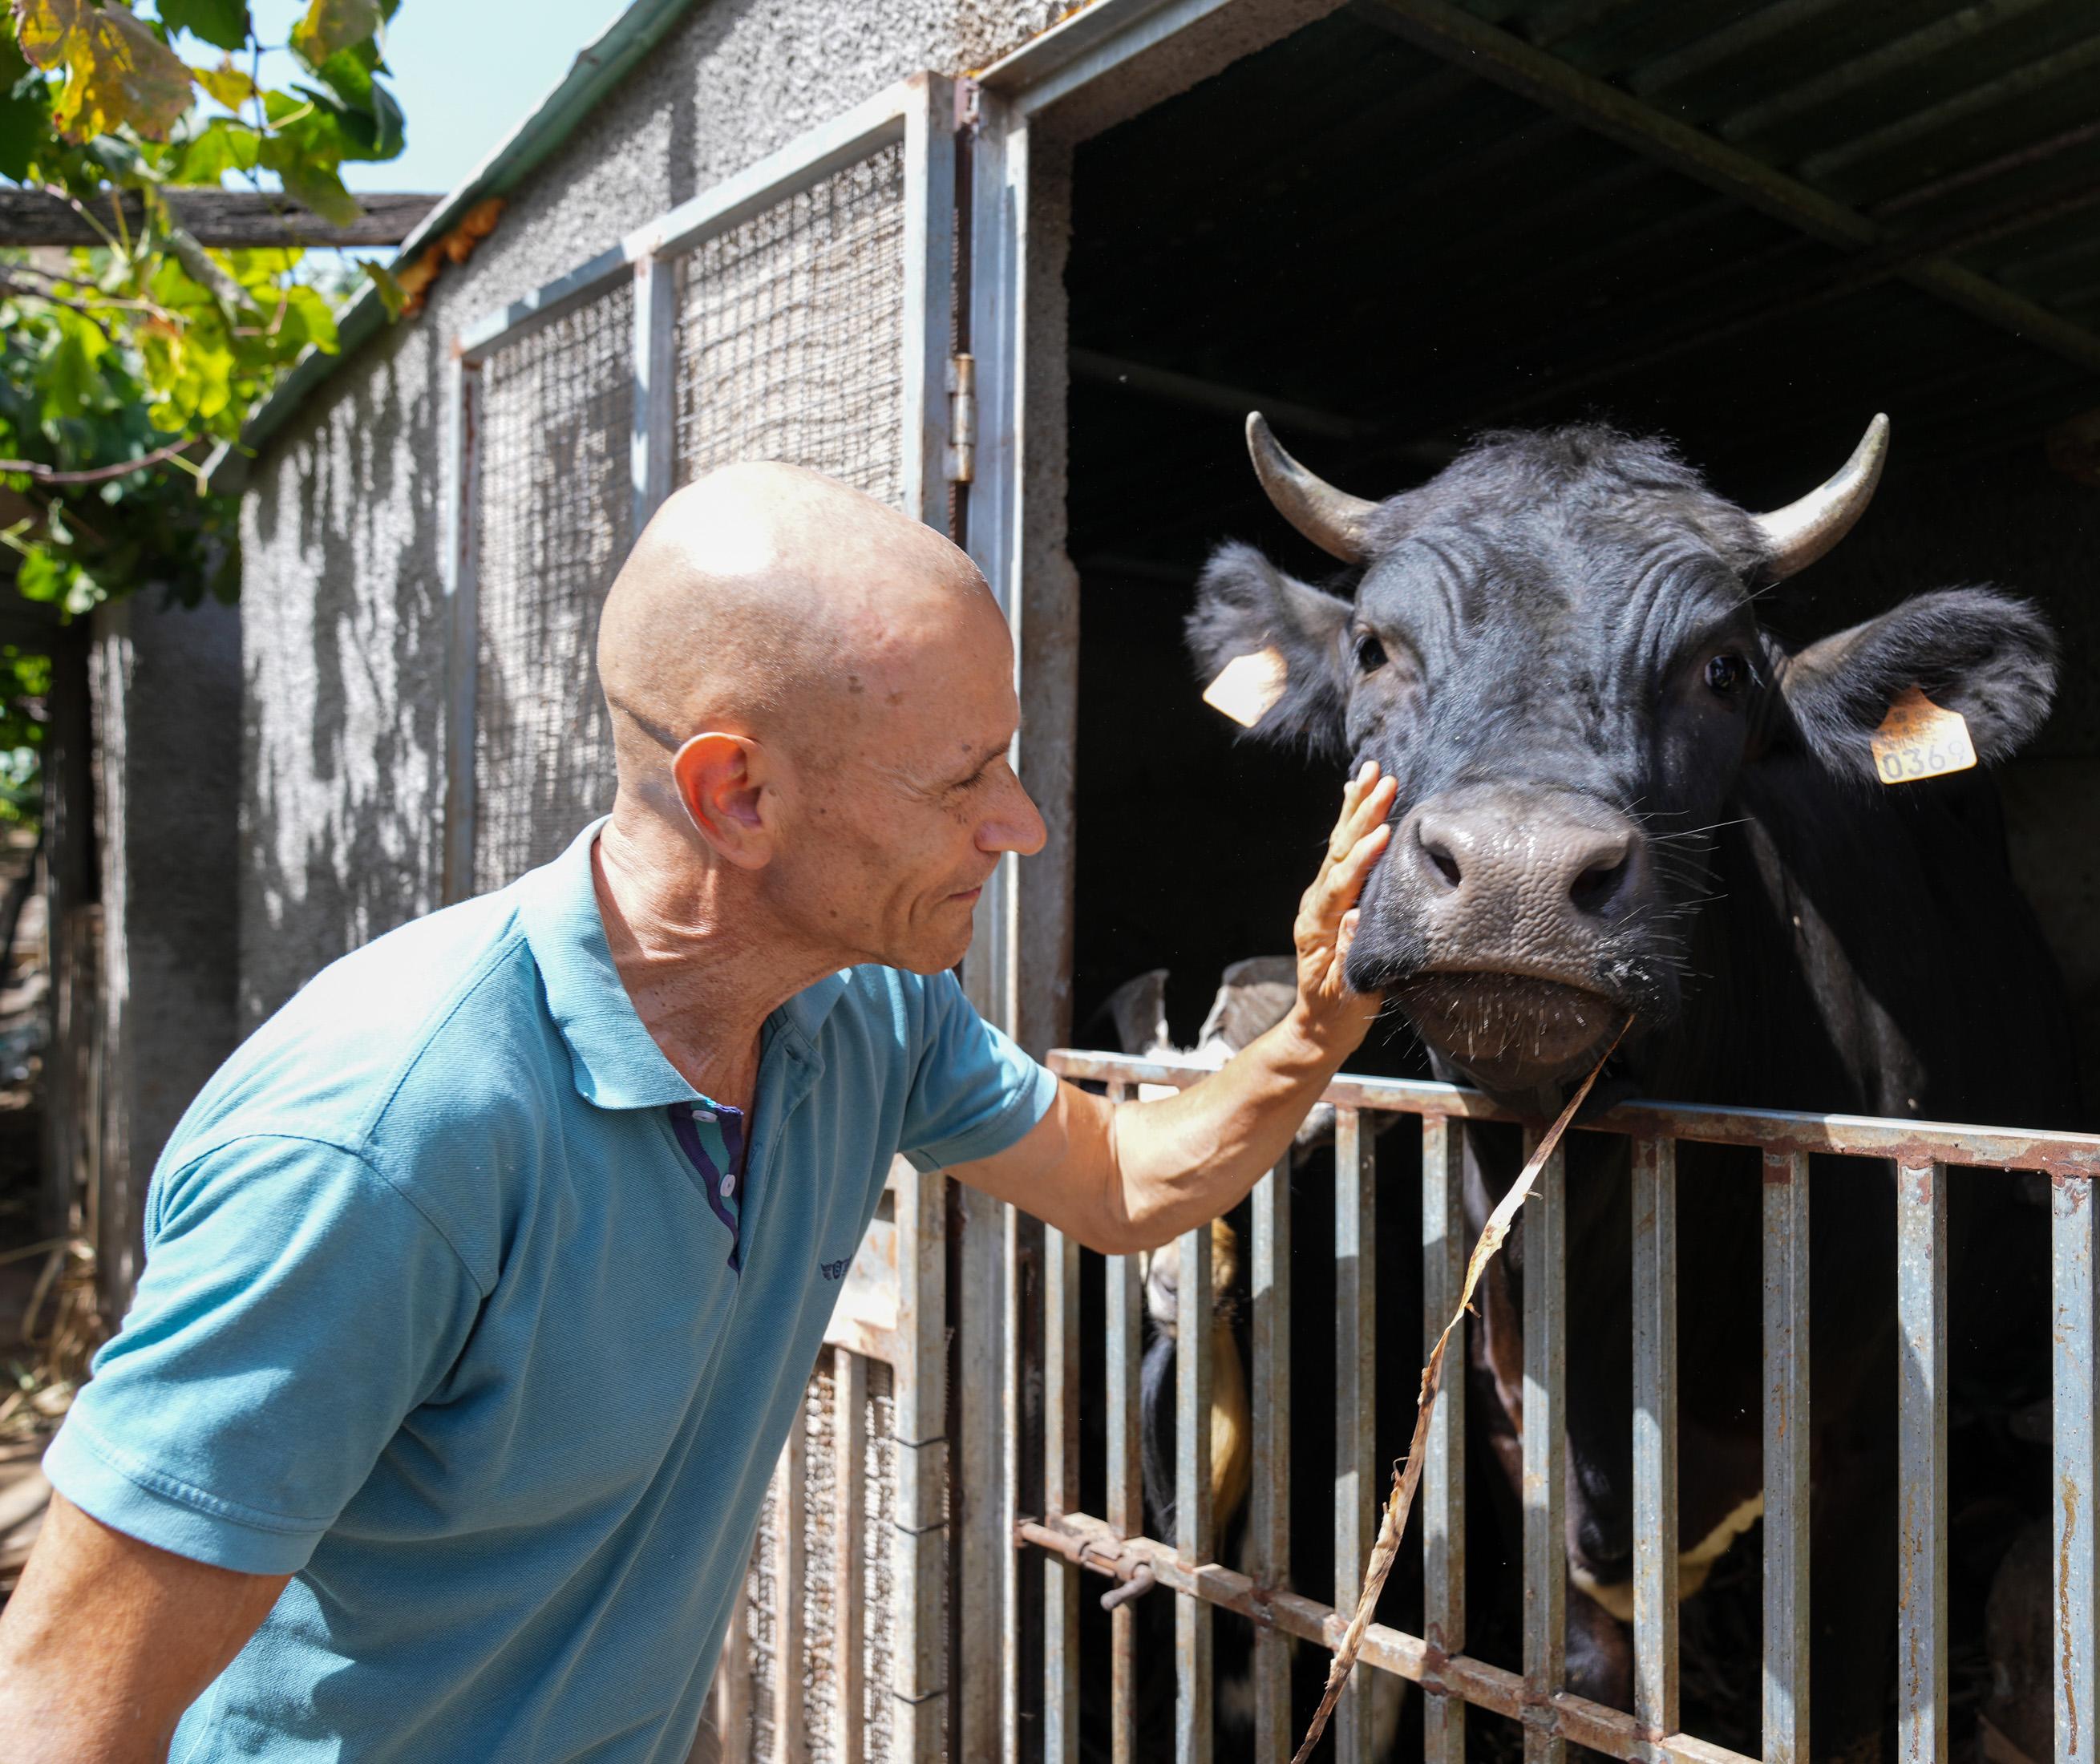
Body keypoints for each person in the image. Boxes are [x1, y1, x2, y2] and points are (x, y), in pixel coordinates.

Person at [0, 461, 1398, 1762]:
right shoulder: (385, 1141)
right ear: (736, 795)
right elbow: (66, 1707)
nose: (1022, 823)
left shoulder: (866, 1016)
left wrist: (1324, 1014)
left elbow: (1126, 1186)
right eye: (963, 776)